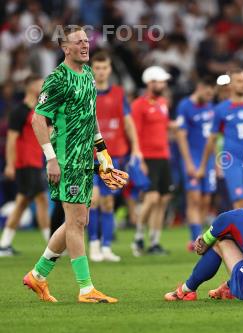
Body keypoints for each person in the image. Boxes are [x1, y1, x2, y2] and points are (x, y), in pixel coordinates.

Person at [23, 26, 128, 304]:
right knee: (76, 222)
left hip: (84, 158)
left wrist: (102, 152)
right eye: (78, 42)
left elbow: (90, 115)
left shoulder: (89, 74)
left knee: (79, 220)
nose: (84, 45)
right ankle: (85, 289)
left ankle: (38, 275)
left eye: (86, 41)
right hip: (66, 158)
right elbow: (38, 120)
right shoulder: (57, 79)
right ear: (64, 47)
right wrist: (51, 158)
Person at [87, 51, 142, 262]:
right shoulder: (86, 91)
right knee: (93, 200)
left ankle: (107, 247)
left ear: (110, 70)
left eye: (104, 68)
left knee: (108, 203)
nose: (101, 71)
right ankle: (93, 245)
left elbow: (128, 123)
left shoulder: (119, 94)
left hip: (113, 155)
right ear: (92, 69)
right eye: (97, 68)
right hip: (89, 155)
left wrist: (136, 148)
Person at [196, 69, 243, 209]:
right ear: (230, 85)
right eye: (239, 81)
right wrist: (203, 166)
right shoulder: (221, 110)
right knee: (238, 198)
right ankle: (239, 230)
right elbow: (211, 139)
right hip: (231, 160)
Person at [0, 75, 50, 257]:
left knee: (22, 203)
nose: (43, 86)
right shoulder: (19, 111)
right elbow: (11, 141)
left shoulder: (40, 110)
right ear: (30, 86)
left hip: (36, 161)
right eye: (40, 83)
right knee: (41, 200)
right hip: (24, 163)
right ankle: (51, 246)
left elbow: (49, 133)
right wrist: (10, 165)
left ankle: (4, 244)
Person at [131, 66, 174, 256]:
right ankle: (138, 237)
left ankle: (154, 241)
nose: (163, 84)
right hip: (147, 157)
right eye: (159, 81)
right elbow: (135, 133)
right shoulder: (139, 105)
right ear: (150, 83)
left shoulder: (163, 103)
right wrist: (139, 158)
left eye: (164, 81)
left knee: (163, 199)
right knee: (152, 198)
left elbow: (163, 127)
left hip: (163, 156)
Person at [176, 77, 216, 251]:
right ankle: (195, 239)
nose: (210, 95)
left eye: (212, 92)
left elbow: (214, 139)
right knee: (194, 199)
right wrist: (189, 163)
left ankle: (199, 236)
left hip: (209, 161)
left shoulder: (211, 107)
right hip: (192, 159)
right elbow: (181, 136)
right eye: (207, 91)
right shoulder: (185, 106)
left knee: (206, 201)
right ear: (200, 87)